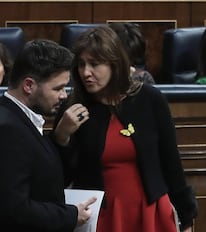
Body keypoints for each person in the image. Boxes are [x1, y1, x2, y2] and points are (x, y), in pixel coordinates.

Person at [53, 26, 197, 232]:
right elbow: (60, 179)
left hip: (150, 212)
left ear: (115, 64)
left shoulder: (149, 100)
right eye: (81, 64)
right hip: (101, 216)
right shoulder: (73, 109)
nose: (86, 72)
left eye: (94, 64)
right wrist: (62, 137)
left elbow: (171, 164)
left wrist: (187, 219)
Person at [0, 39, 97, 232]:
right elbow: (14, 209)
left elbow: (45, 182)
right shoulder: (7, 130)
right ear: (29, 85)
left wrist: (61, 138)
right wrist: (71, 215)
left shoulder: (21, 120)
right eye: (57, 88)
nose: (64, 95)